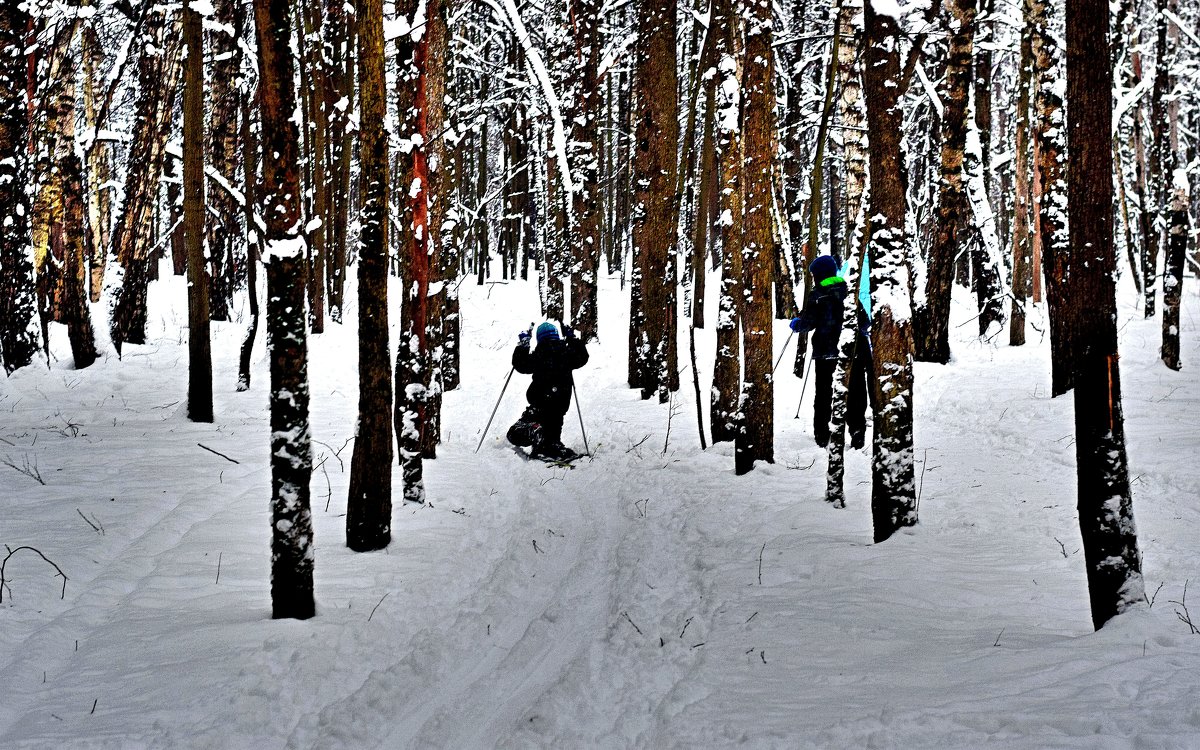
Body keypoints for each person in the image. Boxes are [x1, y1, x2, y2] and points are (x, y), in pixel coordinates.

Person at [790, 255, 875, 449]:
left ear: (819, 275)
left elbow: (809, 322)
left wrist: (797, 324)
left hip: (825, 352)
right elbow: (865, 322)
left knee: (824, 393)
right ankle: (857, 431)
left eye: (813, 275)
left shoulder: (817, 295)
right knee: (856, 392)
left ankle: (822, 433)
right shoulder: (848, 292)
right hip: (852, 351)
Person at [506, 321, 590, 459]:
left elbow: (520, 364)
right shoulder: (567, 354)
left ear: (540, 338)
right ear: (557, 336)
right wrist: (572, 338)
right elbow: (583, 356)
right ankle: (551, 444)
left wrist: (523, 345)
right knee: (553, 431)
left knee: (513, 434)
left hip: (539, 405)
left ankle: (536, 433)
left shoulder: (539, 355)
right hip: (559, 406)